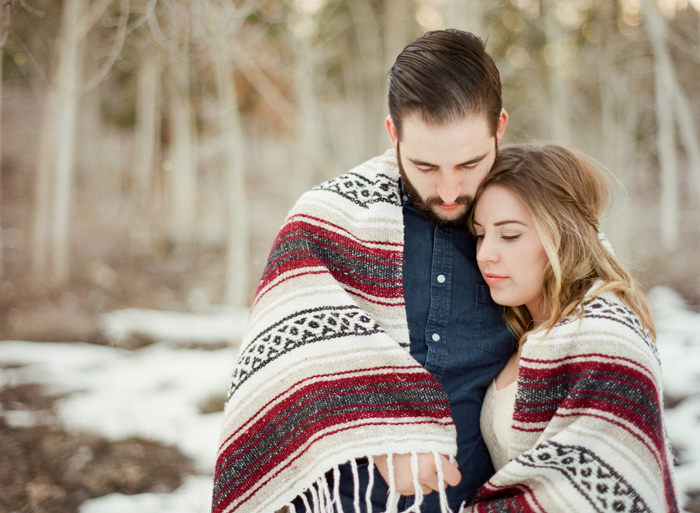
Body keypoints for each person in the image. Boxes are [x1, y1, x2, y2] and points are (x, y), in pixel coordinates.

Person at [212, 30, 516, 513]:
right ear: (393, 134)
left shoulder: (539, 224)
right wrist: (379, 423)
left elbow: (593, 339)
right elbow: (278, 367)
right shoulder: (325, 221)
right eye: (425, 165)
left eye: (470, 163)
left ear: (499, 127)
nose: (451, 188)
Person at [465, 143, 679, 512]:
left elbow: (594, 496)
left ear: (563, 237)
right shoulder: (519, 332)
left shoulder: (605, 340)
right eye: (481, 233)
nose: (485, 253)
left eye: (510, 235)